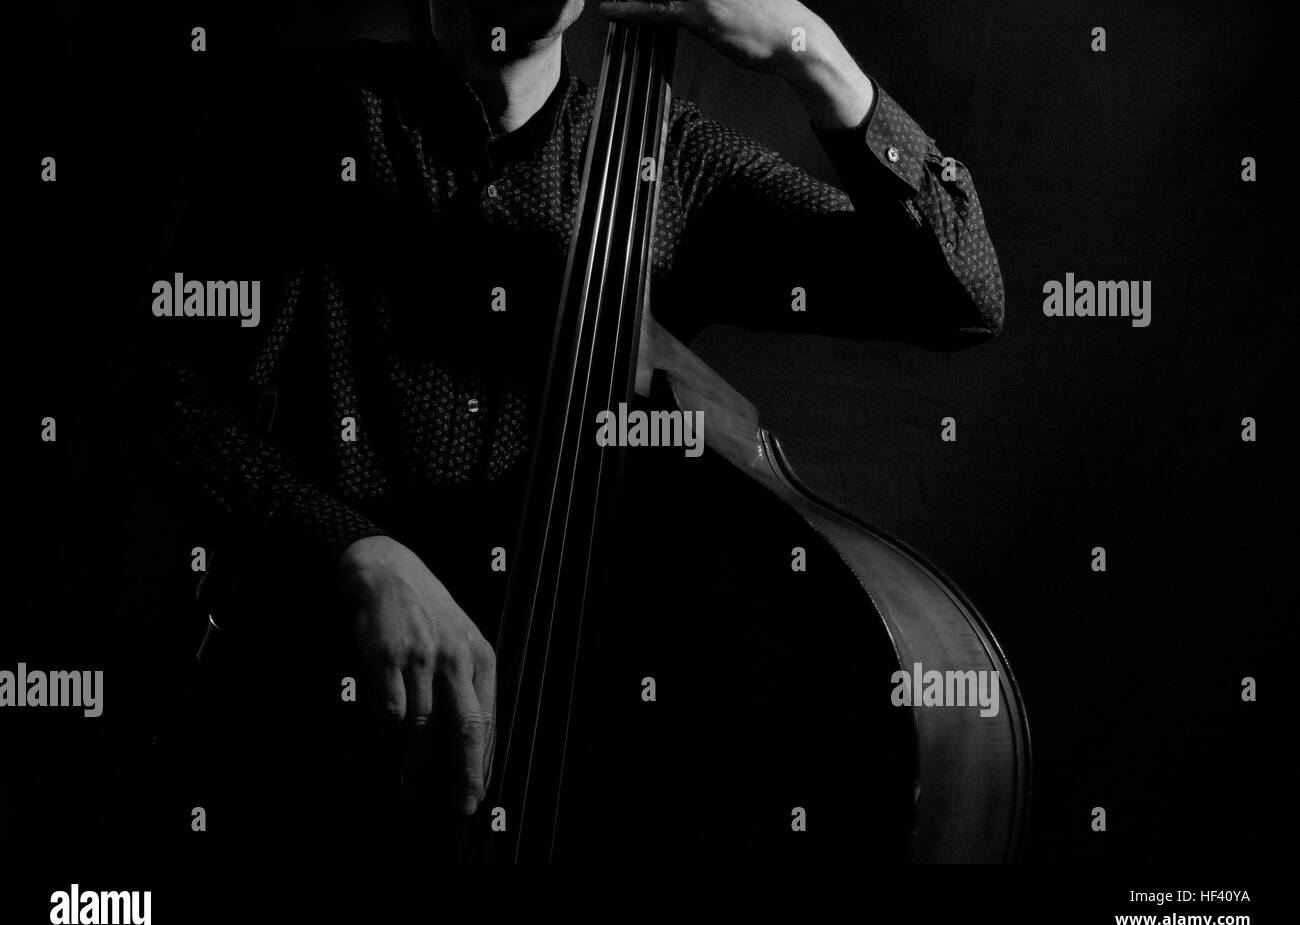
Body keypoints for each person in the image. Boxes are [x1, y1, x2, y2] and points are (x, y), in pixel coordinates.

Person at [137, 0, 1004, 843]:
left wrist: (809, 54)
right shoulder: (298, 117)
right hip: (312, 724)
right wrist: (358, 552)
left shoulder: (668, 161)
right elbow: (161, 400)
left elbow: (958, 299)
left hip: (588, 741)